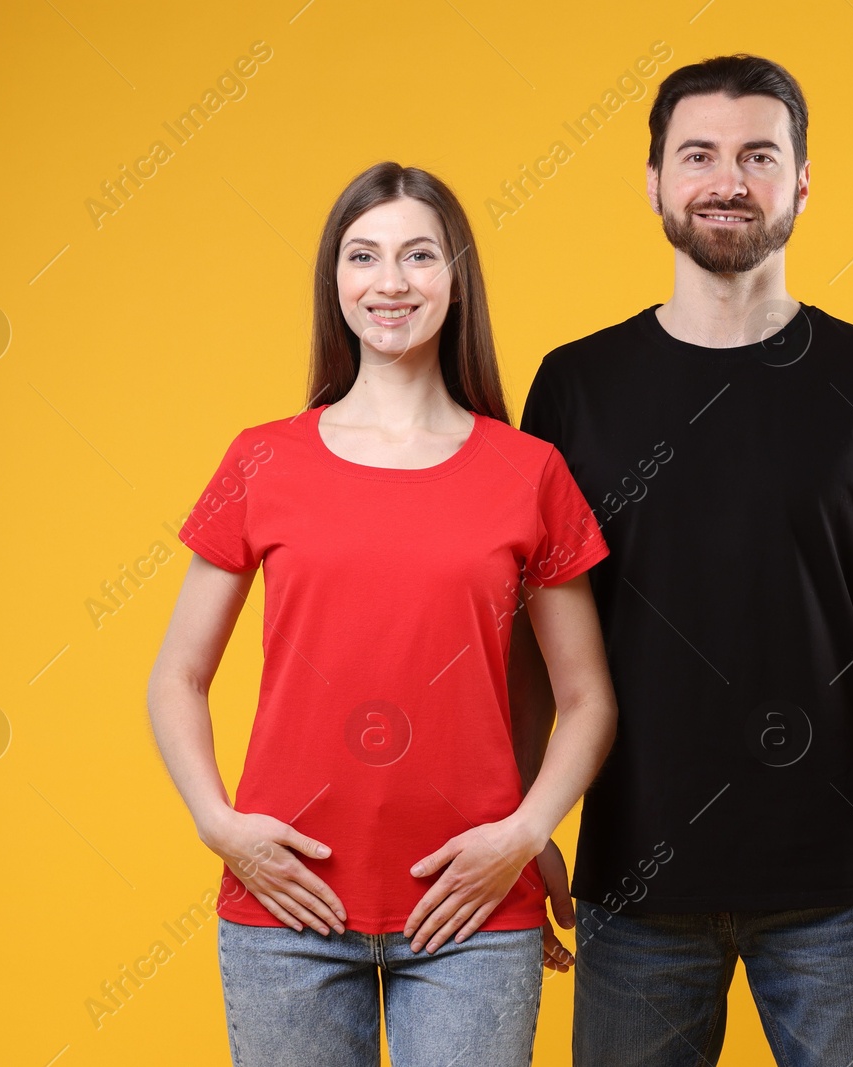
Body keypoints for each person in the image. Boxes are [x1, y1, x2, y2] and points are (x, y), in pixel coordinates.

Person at [515, 54, 853, 1066]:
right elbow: (534, 624)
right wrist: (524, 815)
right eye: (698, 154)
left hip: (844, 888)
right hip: (633, 881)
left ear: (802, 181)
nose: (726, 179)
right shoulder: (574, 386)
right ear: (653, 183)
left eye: (756, 156)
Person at [146, 161, 618, 1067]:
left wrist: (523, 835)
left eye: (418, 256)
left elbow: (588, 698)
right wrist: (220, 824)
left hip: (473, 909)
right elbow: (178, 675)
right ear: (335, 281)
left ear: (456, 278)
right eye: (363, 256)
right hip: (286, 904)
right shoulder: (261, 460)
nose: (390, 282)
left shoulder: (530, 471)